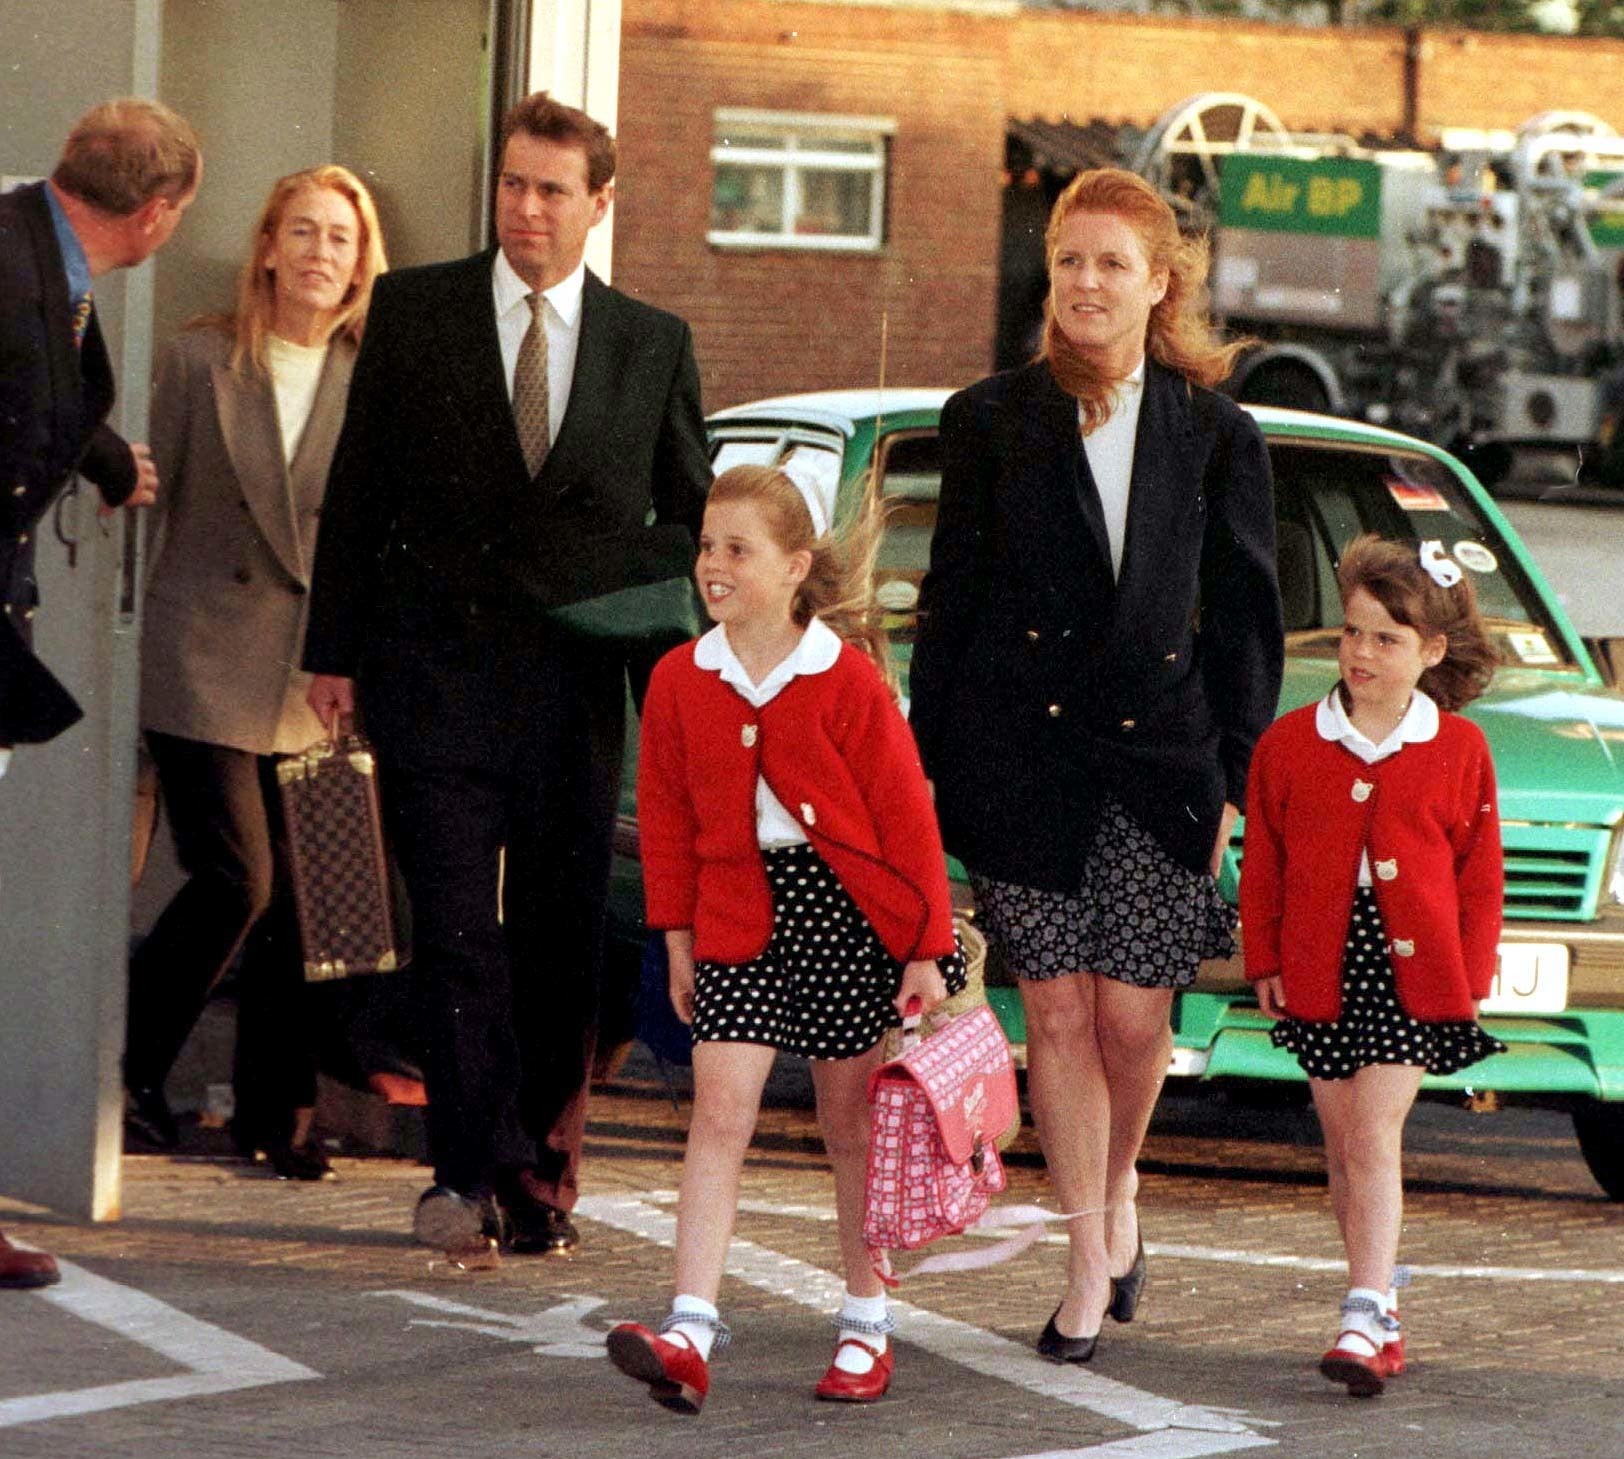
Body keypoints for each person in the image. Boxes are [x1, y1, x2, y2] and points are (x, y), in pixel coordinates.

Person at [302, 94, 711, 1255]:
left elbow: (688, 517)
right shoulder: (416, 310)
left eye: (550, 191)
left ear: (599, 204)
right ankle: (462, 1173)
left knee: (557, 932)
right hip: (430, 672)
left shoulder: (650, 342)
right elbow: (360, 492)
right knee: (455, 930)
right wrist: (330, 651)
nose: (525, 210)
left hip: (573, 689)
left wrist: (673, 655)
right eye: (512, 186)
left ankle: (539, 1169)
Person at [909, 167, 1283, 1362]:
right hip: (1022, 762)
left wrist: (1230, 773)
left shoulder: (1217, 433)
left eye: (1110, 263)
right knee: (1057, 1017)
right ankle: (1084, 1257)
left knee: (1133, 1019)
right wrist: (933, 771)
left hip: (1163, 764)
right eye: (1069, 259)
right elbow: (948, 610)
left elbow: (1245, 621)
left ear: (1158, 283)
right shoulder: (987, 420)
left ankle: (1114, 1189)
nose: (1084, 282)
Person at [606, 463, 965, 1414]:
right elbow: (670, 822)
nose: (713, 566)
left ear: (796, 565)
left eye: (737, 550)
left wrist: (926, 946)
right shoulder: (683, 677)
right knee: (719, 1115)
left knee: (850, 1130)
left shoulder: (845, 678)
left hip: (845, 916)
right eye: (706, 547)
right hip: (733, 914)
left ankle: (864, 1323)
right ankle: (688, 1326)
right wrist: (676, 939)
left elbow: (904, 819)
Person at [123, 166, 388, 1177]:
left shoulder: (373, 376)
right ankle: (134, 1067)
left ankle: (277, 1116)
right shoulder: (200, 361)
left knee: (324, 900)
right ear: (268, 248)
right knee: (241, 878)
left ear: (362, 263)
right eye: (304, 232)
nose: (323, 253)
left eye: (342, 238)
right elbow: (155, 512)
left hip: (321, 672)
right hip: (204, 658)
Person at [0, 95, 200, 1292]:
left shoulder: (35, 251)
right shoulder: (17, 270)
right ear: (160, 212)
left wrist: (106, 457)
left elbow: (43, 399)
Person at [1241, 534, 1503, 1398]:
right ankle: (1379, 1307)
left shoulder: (1459, 749)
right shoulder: (1288, 743)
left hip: (1416, 969)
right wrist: (1268, 956)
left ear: (1431, 652)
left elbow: (1479, 873)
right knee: (1342, 1141)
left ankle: (1360, 1308)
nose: (1361, 652)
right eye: (1353, 632)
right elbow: (1266, 863)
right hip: (1322, 959)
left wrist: (1470, 976)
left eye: (1385, 639)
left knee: (1371, 1132)